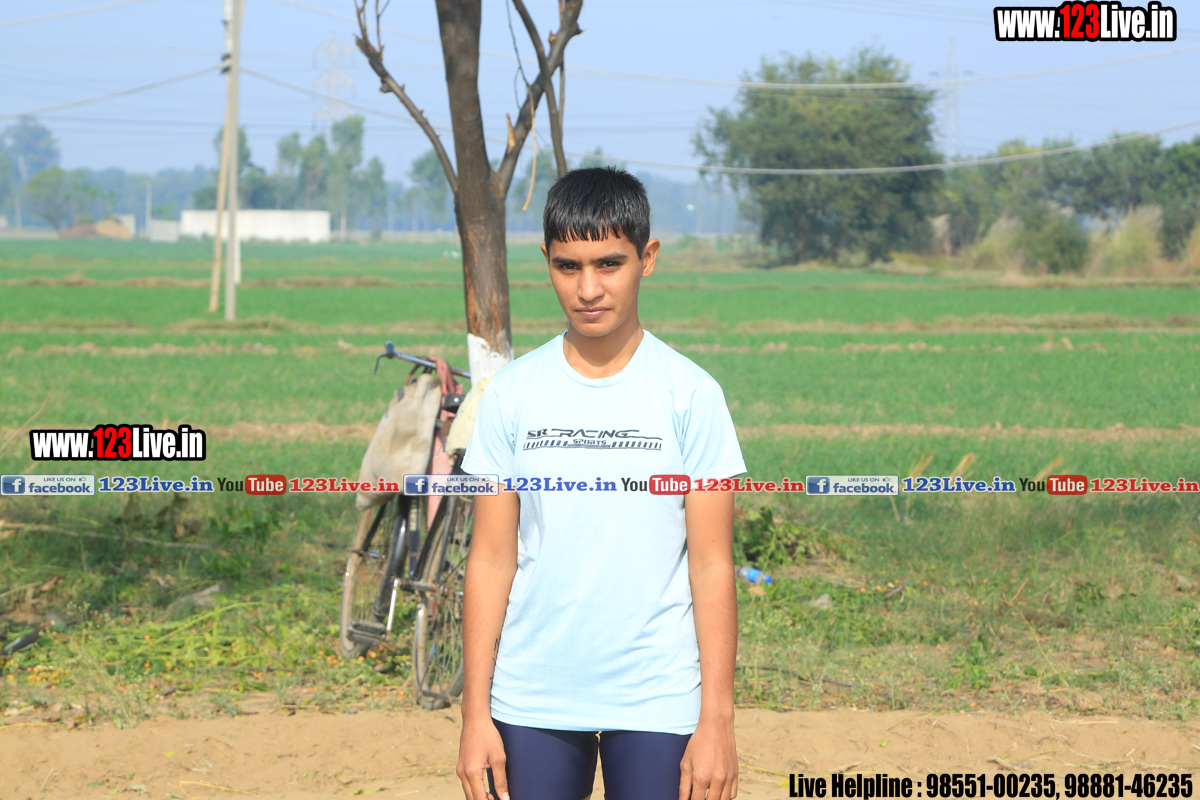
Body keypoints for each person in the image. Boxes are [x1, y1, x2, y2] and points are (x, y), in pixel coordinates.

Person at [456, 167, 745, 800]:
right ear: (547, 263)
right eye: (568, 267)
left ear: (648, 258)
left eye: (609, 264)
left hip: (658, 696)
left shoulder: (690, 395)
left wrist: (718, 721)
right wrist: (475, 714)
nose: (588, 289)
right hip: (532, 694)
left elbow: (711, 563)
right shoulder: (511, 396)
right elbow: (491, 558)